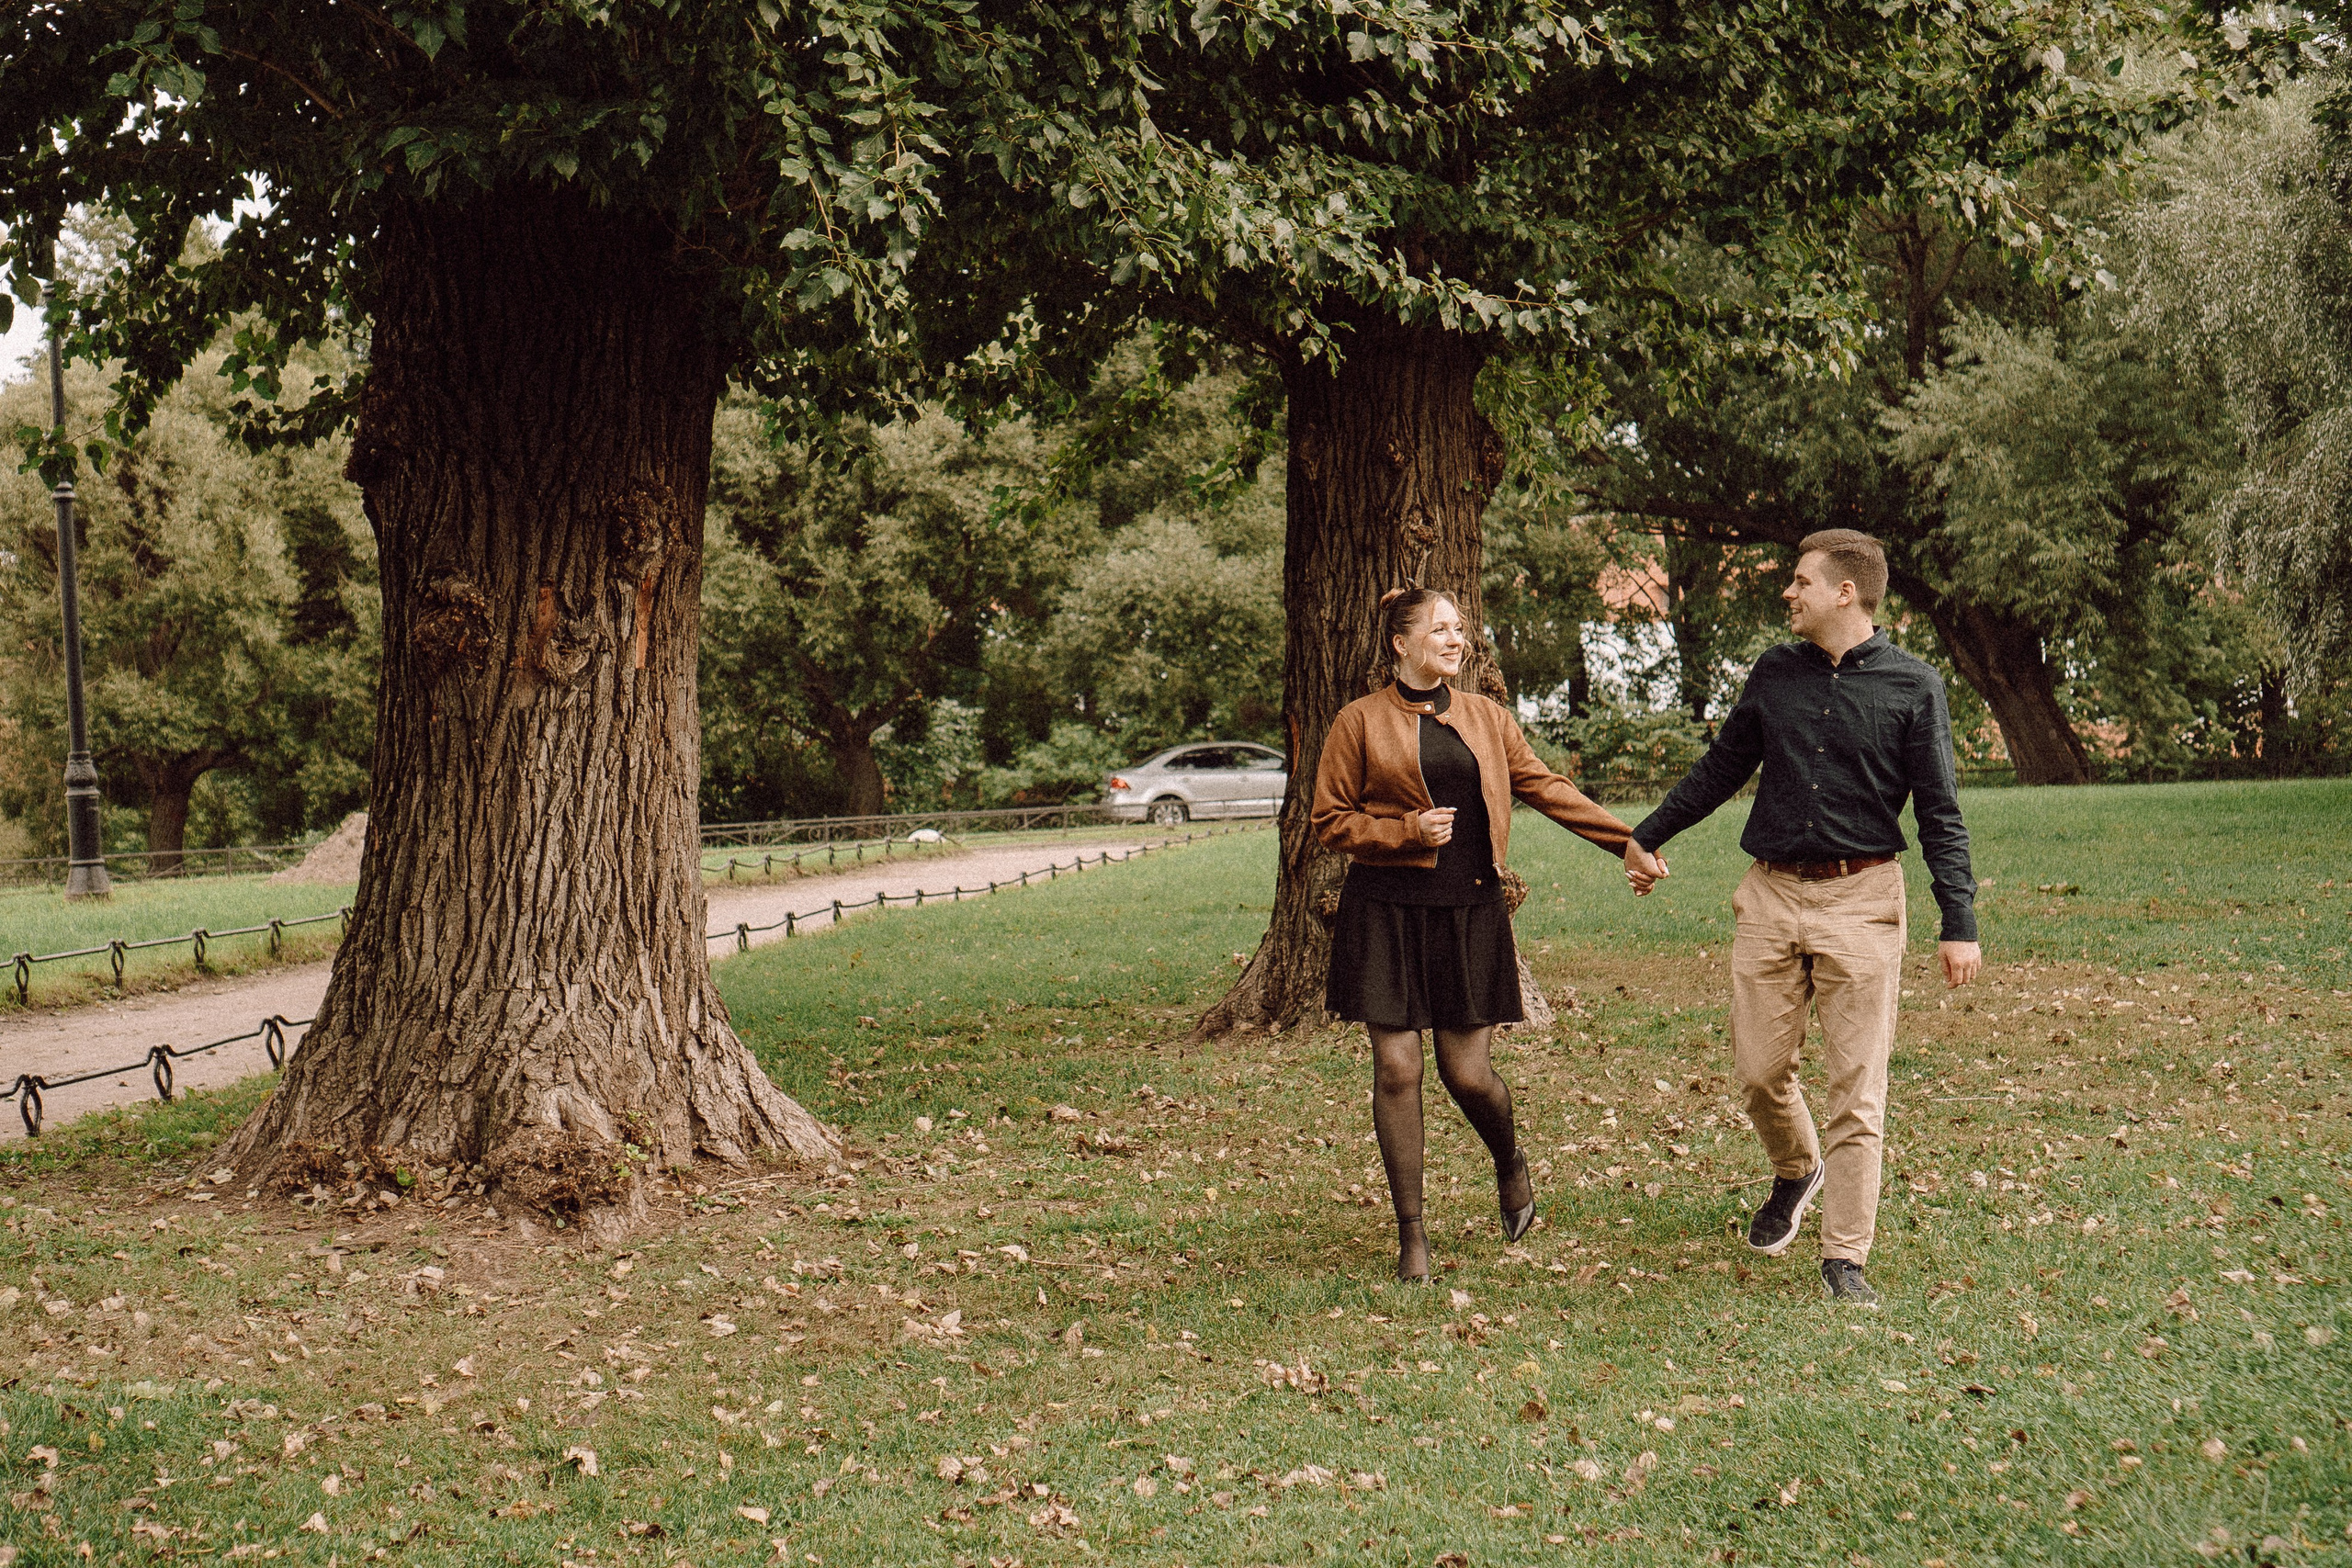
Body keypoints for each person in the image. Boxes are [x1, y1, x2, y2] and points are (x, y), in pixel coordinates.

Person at [1623, 529, 1982, 1304]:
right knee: (1758, 1072)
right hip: (1772, 895)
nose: (1787, 592)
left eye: (1800, 581)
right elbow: (1724, 764)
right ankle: (1796, 1168)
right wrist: (1645, 834)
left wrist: (1960, 918)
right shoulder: (1775, 673)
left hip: (1863, 900)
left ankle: (1844, 1257)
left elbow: (1941, 812)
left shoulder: (1914, 686)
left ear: (1845, 592)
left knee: (1858, 1089)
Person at [1313, 586, 1637, 1281]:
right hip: (1385, 912)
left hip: (1468, 911)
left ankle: (1509, 1159)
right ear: (1401, 644)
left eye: (1460, 628)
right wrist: (1403, 831)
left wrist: (1630, 841)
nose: (1456, 639)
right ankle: (1413, 1238)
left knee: (1467, 1074)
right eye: (1440, 629)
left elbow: (1547, 788)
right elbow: (1328, 818)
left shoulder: (1487, 718)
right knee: (1397, 1069)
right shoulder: (1358, 721)